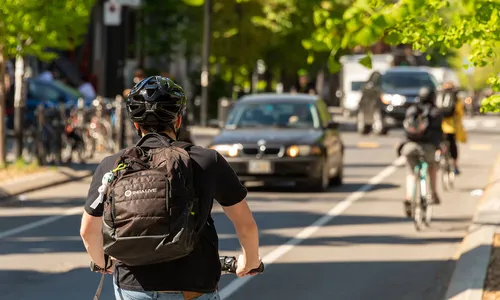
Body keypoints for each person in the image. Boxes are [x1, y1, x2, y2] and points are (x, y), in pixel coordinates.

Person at [80, 76, 261, 300]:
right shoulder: (207, 160)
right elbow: (245, 224)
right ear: (178, 120)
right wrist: (249, 261)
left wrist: (103, 262)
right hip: (193, 287)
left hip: (135, 289)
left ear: (136, 124)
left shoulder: (113, 164)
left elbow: (88, 231)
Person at [398, 86, 443, 217]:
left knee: (411, 173)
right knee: (432, 168)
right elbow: (439, 133)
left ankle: (408, 197)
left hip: (410, 146)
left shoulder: (412, 109)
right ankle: (433, 193)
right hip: (428, 147)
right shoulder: (435, 112)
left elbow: (405, 129)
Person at [441, 82, 467, 175]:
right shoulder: (456, 99)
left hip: (440, 126)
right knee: (453, 146)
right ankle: (455, 165)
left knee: (439, 143)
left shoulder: (440, 97)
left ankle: (438, 157)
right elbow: (460, 113)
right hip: (451, 127)